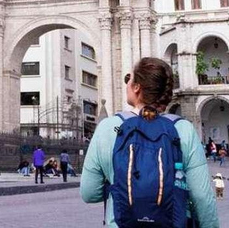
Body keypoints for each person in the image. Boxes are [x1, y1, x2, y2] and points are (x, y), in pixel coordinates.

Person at [80, 57, 218, 228]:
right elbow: (202, 197)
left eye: (128, 78)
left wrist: (122, 188)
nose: (127, 83)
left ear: (136, 87)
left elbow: (89, 193)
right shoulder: (183, 129)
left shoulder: (107, 128)